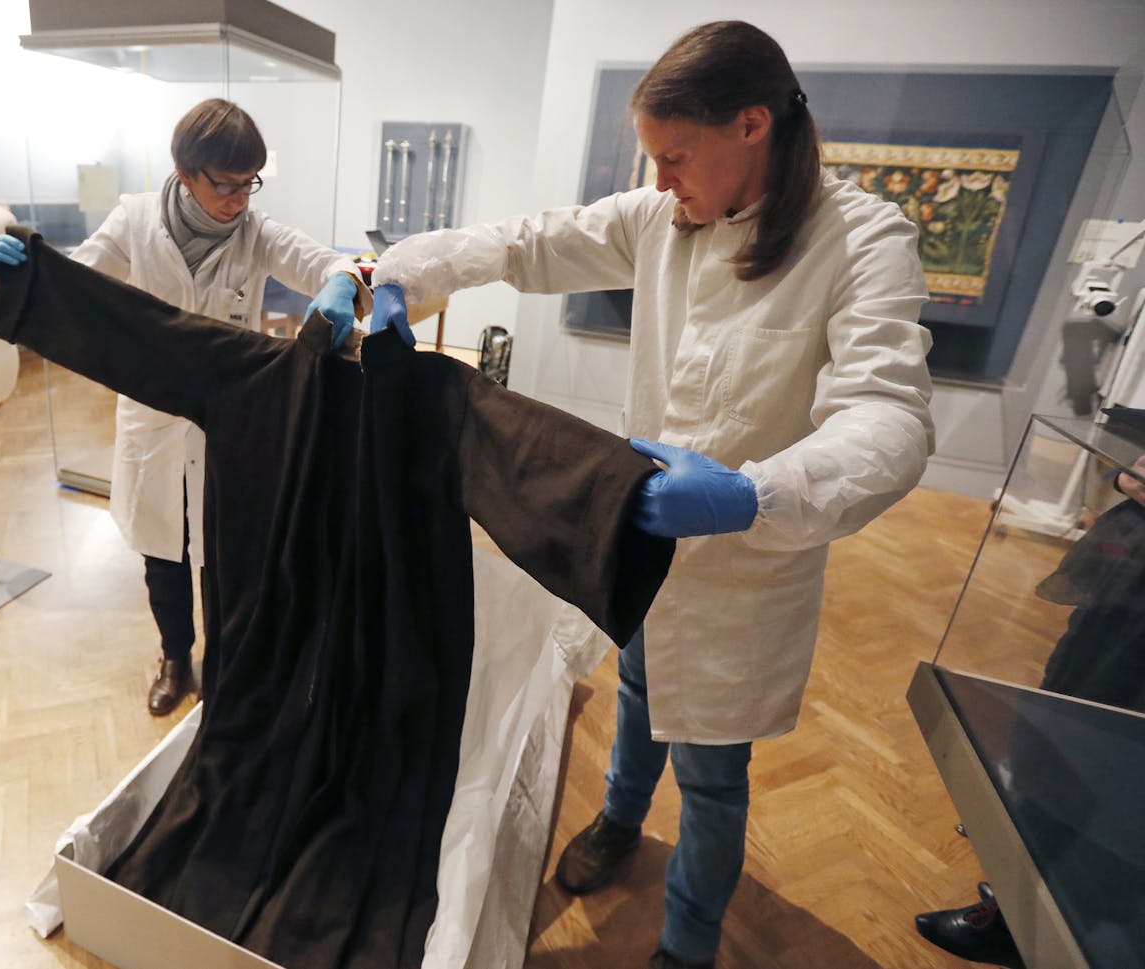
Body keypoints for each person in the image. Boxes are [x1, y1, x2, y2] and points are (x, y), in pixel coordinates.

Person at [369, 21, 934, 969]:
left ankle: (688, 941)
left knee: (714, 776)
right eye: (652, 160)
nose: (661, 180)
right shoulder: (662, 218)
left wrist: (756, 495)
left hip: (747, 565)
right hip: (646, 538)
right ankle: (621, 818)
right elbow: (528, 243)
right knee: (633, 685)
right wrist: (400, 275)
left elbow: (890, 417)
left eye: (675, 157)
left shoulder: (862, 240)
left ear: (752, 124)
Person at [0, 98, 371, 716]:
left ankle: (224, 663)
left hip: (227, 426)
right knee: (163, 550)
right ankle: (173, 658)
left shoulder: (257, 233)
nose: (240, 200)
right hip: (155, 421)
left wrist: (343, 280)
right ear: (186, 172)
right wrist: (29, 276)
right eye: (226, 185)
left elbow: (326, 262)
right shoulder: (134, 222)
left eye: (250, 184)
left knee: (226, 550)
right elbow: (79, 281)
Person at [914, 454, 1145, 968]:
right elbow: (1132, 470)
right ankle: (1028, 895)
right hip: (1125, 588)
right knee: (1061, 726)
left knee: (1097, 758)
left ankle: (1036, 923)